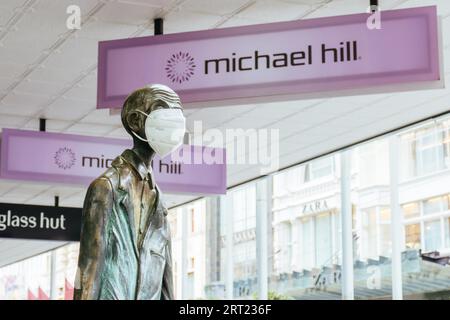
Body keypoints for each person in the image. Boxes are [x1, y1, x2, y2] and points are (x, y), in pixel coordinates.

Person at [74, 84, 185, 300]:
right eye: (163, 110)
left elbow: (166, 282)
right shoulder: (107, 187)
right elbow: (89, 271)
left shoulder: (159, 200)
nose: (174, 123)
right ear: (136, 121)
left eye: (177, 114)